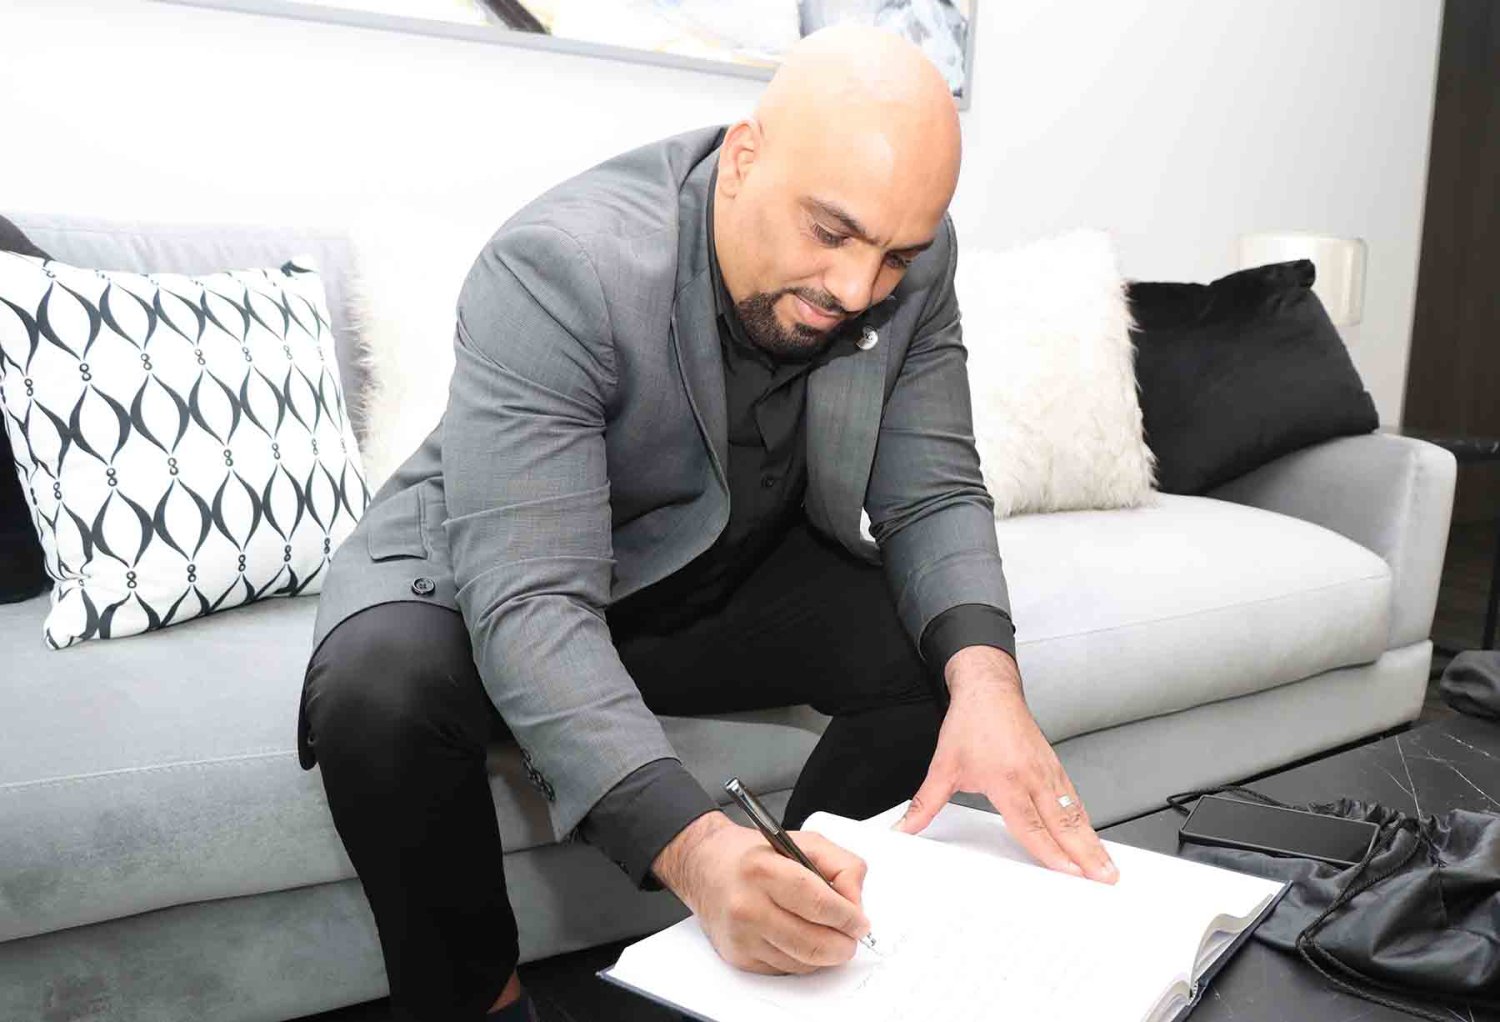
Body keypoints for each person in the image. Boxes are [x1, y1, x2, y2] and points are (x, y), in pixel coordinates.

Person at [296, 22, 1118, 1022]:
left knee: (938, 656)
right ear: (743, 161)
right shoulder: (561, 266)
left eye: (893, 256)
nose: (857, 289)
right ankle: (482, 1000)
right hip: (495, 569)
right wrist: (698, 848)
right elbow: (534, 597)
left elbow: (932, 491)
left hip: (713, 563)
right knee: (377, 695)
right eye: (832, 233)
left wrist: (988, 682)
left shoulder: (912, 258)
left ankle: (802, 930)